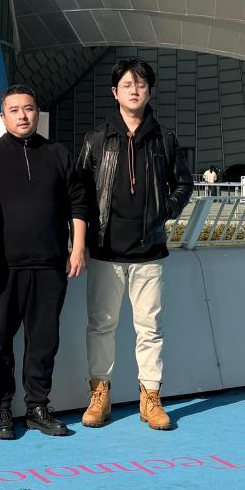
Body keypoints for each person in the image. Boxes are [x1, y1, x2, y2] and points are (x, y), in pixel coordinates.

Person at [77, 57, 193, 431]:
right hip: (105, 250)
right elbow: (80, 190)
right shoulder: (96, 139)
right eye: (127, 85)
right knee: (101, 326)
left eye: (141, 85)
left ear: (149, 91)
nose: (134, 90)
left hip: (149, 250)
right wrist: (82, 239)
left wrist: (165, 211)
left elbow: (183, 184)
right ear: (115, 92)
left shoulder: (165, 138)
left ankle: (151, 397)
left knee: (150, 328)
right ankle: (99, 394)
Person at [0, 84, 88, 439]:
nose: (23, 115)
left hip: (50, 265)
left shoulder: (58, 153)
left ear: (38, 113)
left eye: (29, 108)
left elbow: (78, 202)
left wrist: (77, 247)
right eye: (15, 110)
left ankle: (37, 407)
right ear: (3, 116)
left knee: (44, 341)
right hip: (0, 267)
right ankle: (2, 408)